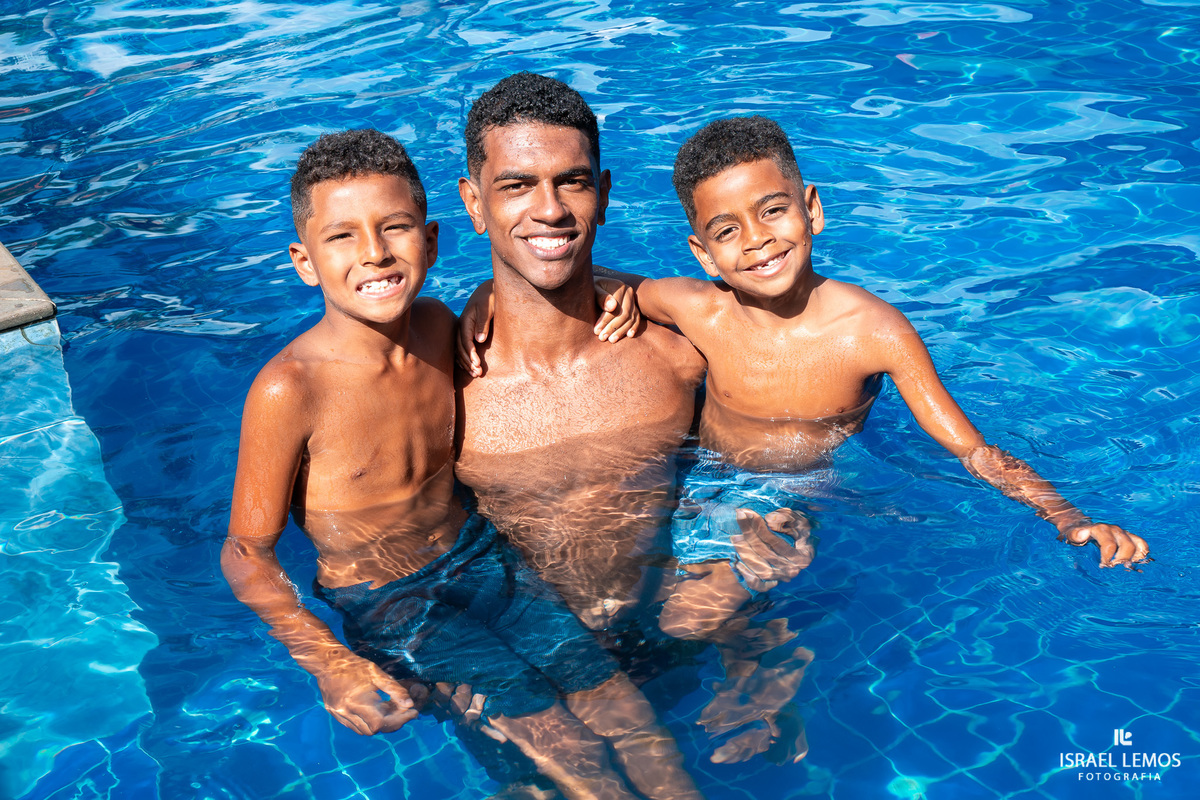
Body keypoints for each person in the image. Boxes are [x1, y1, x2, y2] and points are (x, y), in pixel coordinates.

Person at [221, 128, 703, 800]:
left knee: (628, 716)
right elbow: (246, 550)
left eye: (394, 228)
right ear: (305, 261)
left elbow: (528, 295)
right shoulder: (290, 389)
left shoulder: (441, 325)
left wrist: (622, 290)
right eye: (343, 238)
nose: (374, 253)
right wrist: (327, 662)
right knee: (566, 754)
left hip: (484, 559)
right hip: (392, 597)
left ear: (433, 239)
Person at [582, 115, 1153, 630]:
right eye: (727, 231)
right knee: (607, 606)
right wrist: (494, 297)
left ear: (812, 209)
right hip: (696, 479)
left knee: (688, 620)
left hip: (794, 493)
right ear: (704, 254)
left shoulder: (874, 332)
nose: (756, 240)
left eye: (772, 210)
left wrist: (1066, 514)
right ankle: (757, 654)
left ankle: (767, 643)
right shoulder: (697, 309)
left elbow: (971, 450)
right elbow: (585, 275)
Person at [453, 72, 814, 769]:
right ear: (474, 203)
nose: (550, 209)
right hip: (529, 671)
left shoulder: (678, 352)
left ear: (605, 193)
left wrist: (786, 536)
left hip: (680, 631)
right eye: (516, 185)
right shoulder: (442, 382)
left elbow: (780, 455)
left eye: (574, 182)